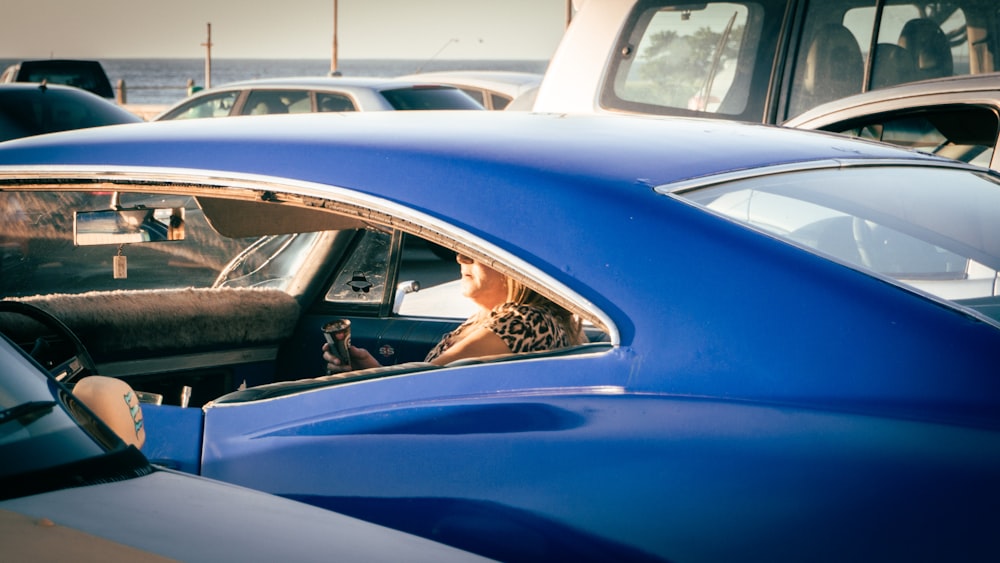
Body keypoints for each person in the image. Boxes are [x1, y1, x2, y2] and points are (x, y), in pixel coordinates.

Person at [323, 253, 586, 373]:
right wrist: (374, 369)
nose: (460, 259)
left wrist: (366, 377)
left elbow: (417, 384)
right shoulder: (492, 318)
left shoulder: (522, 321)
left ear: (515, 266)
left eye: (475, 253)